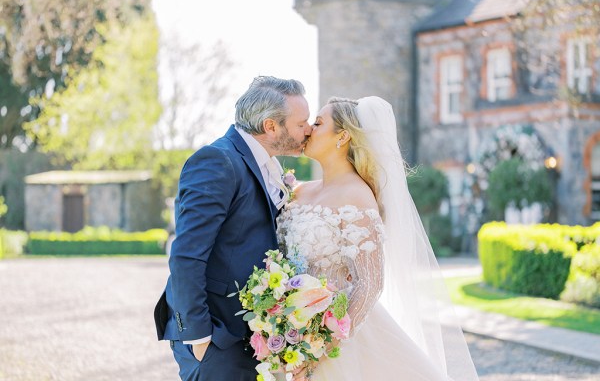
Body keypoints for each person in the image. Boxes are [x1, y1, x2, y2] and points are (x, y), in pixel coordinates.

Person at [277, 96, 479, 380]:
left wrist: (320, 349)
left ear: (343, 136)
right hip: (288, 332)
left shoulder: (357, 196)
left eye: (319, 123)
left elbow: (370, 283)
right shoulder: (297, 191)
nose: (309, 129)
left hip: (334, 341)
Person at [154, 76, 312, 381]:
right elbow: (186, 255)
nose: (308, 129)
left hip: (252, 336)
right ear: (271, 126)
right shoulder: (217, 161)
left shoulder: (270, 165)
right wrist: (200, 339)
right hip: (217, 338)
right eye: (301, 122)